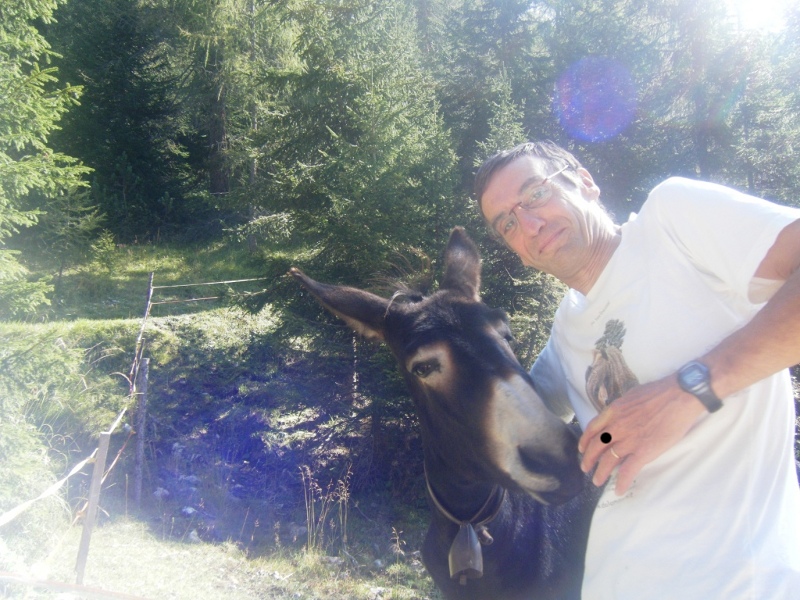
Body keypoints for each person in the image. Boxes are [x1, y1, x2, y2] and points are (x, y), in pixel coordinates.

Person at [474, 140, 800, 599]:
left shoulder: (672, 222)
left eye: (536, 194)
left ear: (585, 181)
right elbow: (505, 422)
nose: (530, 224)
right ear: (519, 253)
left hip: (739, 582)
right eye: (507, 223)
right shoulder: (566, 329)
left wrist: (691, 389)